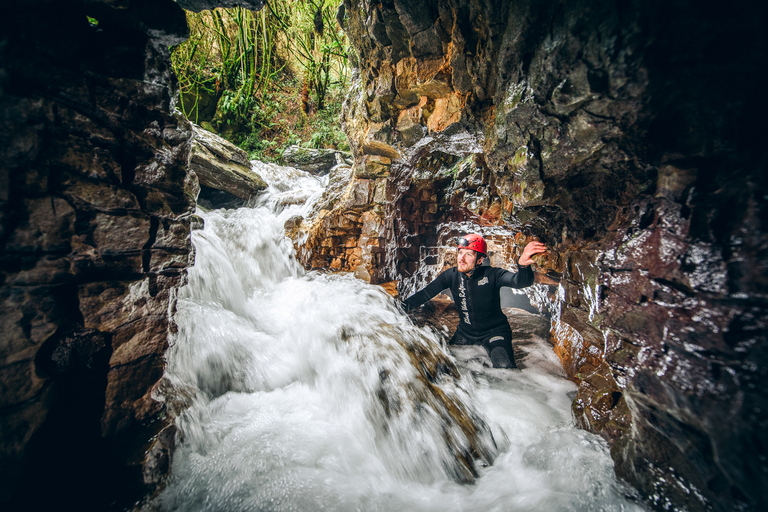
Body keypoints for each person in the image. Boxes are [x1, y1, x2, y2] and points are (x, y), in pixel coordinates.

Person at [402, 234, 547, 368]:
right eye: (460, 252)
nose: (461, 258)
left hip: (494, 333)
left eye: (468, 254)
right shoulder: (450, 276)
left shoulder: (492, 275)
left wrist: (522, 265)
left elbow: (520, 282)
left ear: (479, 260)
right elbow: (424, 294)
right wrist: (396, 308)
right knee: (444, 365)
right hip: (465, 333)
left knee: (504, 367)